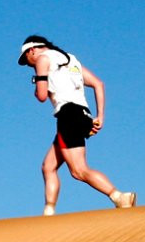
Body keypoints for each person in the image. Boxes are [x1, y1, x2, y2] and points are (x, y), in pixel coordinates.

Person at [17, 36, 136, 215]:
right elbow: (98, 84)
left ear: (31, 51)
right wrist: (100, 116)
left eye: (26, 61)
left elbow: (41, 96)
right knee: (48, 167)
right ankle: (48, 211)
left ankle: (118, 196)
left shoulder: (43, 59)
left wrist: (37, 83)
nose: (29, 65)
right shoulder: (70, 59)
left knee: (78, 170)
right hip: (82, 114)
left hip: (67, 115)